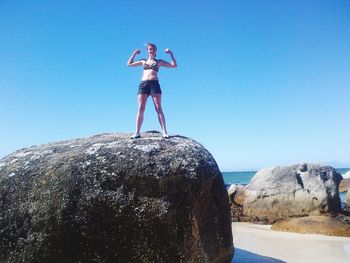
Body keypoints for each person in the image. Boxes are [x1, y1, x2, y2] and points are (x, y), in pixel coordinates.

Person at [127, 43, 177, 139]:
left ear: (156, 51)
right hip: (143, 84)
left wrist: (171, 54)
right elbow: (129, 64)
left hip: (154, 84)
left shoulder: (159, 62)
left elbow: (174, 65)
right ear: (147, 50)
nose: (152, 50)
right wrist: (135, 53)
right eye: (150, 49)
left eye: (153, 49)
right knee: (141, 108)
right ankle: (137, 132)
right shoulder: (143, 61)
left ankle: (164, 132)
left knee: (158, 108)